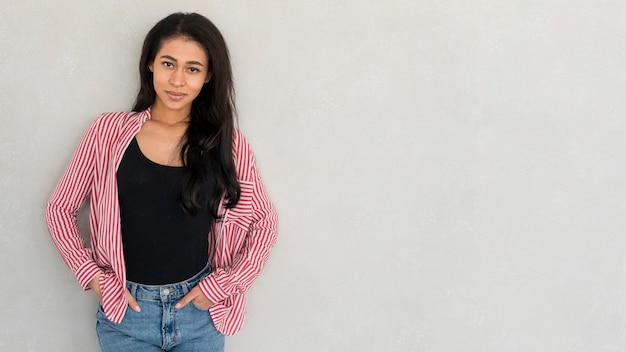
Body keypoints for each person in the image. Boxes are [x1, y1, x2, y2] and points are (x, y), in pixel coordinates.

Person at [45, 12, 278, 352]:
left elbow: (265, 223)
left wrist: (225, 284)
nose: (178, 80)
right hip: (126, 317)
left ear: (208, 76)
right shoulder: (107, 133)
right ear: (151, 64)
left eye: (192, 69)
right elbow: (59, 209)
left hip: (199, 316)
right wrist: (94, 278)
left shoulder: (226, 144)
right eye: (169, 64)